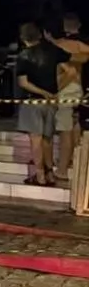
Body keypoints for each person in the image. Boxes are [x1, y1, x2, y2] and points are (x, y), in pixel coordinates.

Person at [15, 21, 71, 186]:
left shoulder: (23, 56)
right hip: (50, 101)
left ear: (23, 38)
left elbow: (23, 82)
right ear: (39, 35)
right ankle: (50, 173)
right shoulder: (52, 51)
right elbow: (71, 71)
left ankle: (40, 175)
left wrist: (43, 92)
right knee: (47, 139)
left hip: (32, 101)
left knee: (36, 139)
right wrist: (56, 91)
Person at [50, 13, 89, 176]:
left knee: (65, 130)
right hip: (79, 89)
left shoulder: (60, 46)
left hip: (66, 90)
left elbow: (69, 72)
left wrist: (55, 91)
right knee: (74, 127)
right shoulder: (80, 45)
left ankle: (62, 169)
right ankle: (72, 160)